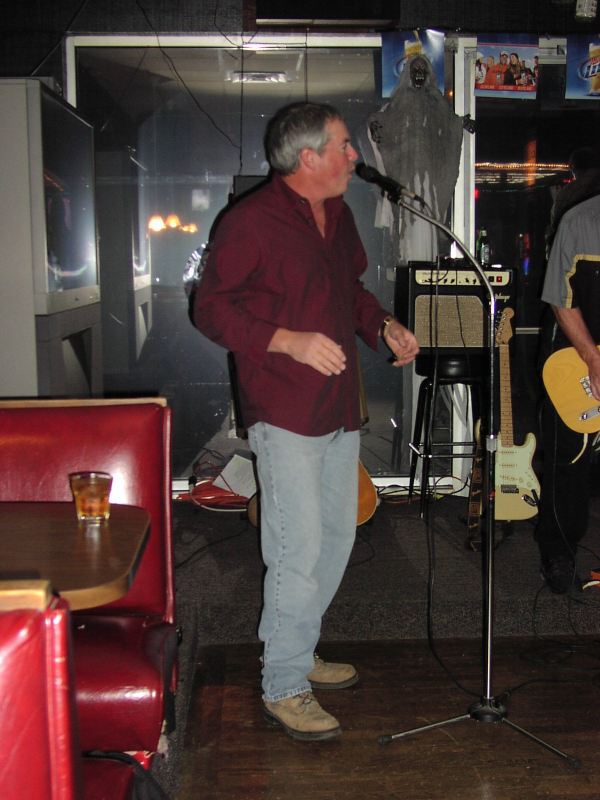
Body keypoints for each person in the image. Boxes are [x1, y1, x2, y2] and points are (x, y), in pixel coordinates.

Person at [193, 102, 419, 740]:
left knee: (339, 536)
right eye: (344, 145)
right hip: (285, 407)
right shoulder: (249, 222)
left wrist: (383, 325)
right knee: (297, 549)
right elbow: (210, 309)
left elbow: (351, 293)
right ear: (308, 157)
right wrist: (287, 341)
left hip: (339, 404)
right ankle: (284, 683)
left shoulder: (338, 215)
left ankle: (294, 645)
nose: (355, 156)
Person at [536, 159, 600, 594]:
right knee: (569, 462)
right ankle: (557, 554)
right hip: (576, 356)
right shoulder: (579, 222)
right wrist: (593, 359)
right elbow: (560, 300)